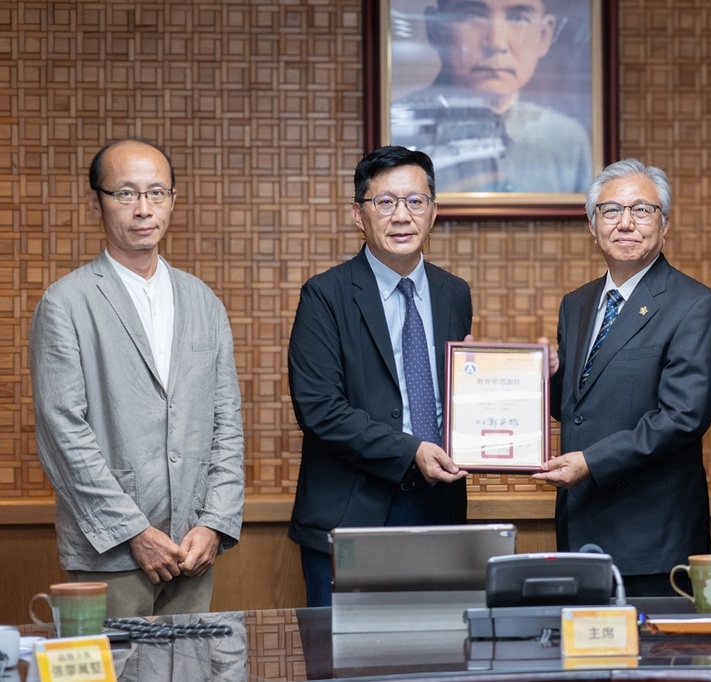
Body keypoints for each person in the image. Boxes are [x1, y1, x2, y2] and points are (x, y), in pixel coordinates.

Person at [29, 139, 245, 617]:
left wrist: (214, 523)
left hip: (192, 547)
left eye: (157, 193)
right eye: (125, 194)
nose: (143, 208)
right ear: (95, 201)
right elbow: (62, 433)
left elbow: (226, 423)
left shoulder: (204, 302)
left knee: (190, 670)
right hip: (109, 549)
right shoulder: (65, 304)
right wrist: (134, 531)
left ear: (173, 199)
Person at [533, 159, 711, 596]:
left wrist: (591, 463)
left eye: (642, 210)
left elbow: (682, 418)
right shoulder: (577, 304)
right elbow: (577, 408)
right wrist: (540, 380)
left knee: (655, 662)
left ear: (665, 225)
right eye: (611, 211)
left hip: (653, 538)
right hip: (579, 528)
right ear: (592, 224)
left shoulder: (696, 306)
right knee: (586, 660)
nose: (626, 223)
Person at [288, 145, 472, 607]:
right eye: (385, 202)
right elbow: (319, 410)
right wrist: (412, 450)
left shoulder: (454, 293)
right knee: (346, 669)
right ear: (358, 214)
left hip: (439, 510)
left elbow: (452, 396)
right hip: (353, 516)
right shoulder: (325, 295)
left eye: (415, 201)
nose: (401, 216)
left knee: (438, 661)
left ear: (434, 212)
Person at [391, 0, 592, 193]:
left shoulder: (568, 140)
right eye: (471, 14)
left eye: (518, 18)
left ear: (543, 35)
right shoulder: (398, 131)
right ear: (435, 28)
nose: (496, 43)